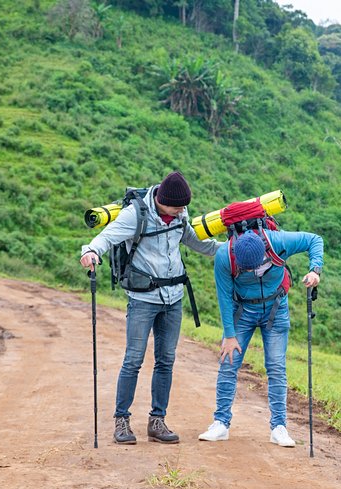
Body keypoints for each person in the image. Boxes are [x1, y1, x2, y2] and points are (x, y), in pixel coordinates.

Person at [80, 171, 222, 445]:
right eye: (178, 207)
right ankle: (121, 421)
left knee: (166, 361)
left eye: (184, 207)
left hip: (173, 298)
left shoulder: (180, 215)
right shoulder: (136, 214)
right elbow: (107, 237)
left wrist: (230, 249)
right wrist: (91, 251)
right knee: (133, 359)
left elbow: (195, 243)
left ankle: (157, 421)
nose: (182, 211)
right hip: (143, 299)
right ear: (161, 200)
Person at [198, 228, 323, 447]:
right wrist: (229, 335)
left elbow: (315, 240)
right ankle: (220, 423)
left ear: (265, 252)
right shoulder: (225, 256)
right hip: (241, 311)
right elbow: (224, 296)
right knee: (228, 363)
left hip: (276, 309)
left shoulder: (278, 242)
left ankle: (279, 427)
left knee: (276, 367)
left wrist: (315, 270)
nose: (251, 271)